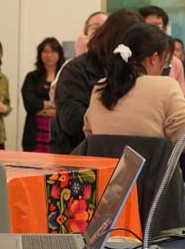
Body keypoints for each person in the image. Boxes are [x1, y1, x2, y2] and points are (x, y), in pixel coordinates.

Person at [84, 23, 185, 153]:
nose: (163, 69)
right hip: (151, 172)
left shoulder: (100, 88)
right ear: (154, 58)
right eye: (165, 64)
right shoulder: (166, 86)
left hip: (105, 172)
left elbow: (89, 136)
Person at [51, 9, 143, 153]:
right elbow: (71, 121)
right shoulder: (75, 69)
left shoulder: (134, 69)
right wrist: (117, 121)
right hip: (78, 158)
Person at [21, 37, 62, 152]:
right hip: (35, 131)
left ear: (59, 54)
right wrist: (52, 105)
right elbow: (30, 104)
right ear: (40, 54)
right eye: (45, 51)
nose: (49, 55)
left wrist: (43, 109)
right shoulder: (32, 77)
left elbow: (65, 105)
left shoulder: (65, 77)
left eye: (53, 51)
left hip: (58, 130)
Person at [137, 5, 185, 93]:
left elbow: (181, 97)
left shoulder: (175, 62)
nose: (152, 31)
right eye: (147, 26)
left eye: (157, 26)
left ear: (165, 29)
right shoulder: (131, 58)